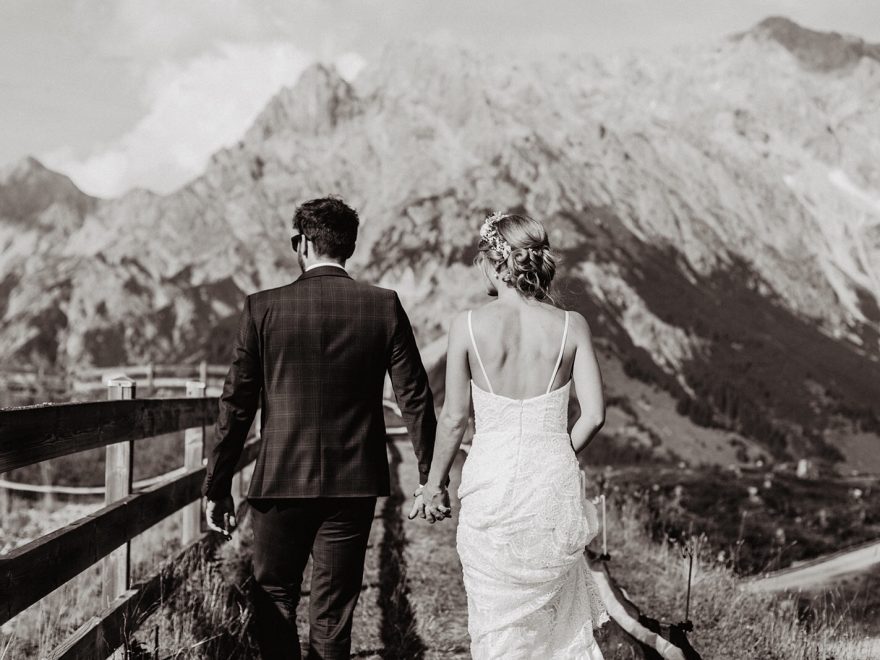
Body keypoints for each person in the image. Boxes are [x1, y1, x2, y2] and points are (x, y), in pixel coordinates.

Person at [202, 196, 438, 659]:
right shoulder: (383, 305)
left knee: (275, 598)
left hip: (280, 480)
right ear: (349, 246)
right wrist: (431, 478)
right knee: (333, 615)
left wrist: (217, 484)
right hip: (353, 482)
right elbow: (414, 396)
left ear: (304, 243)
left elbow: (237, 403)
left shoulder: (262, 308)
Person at [410, 212, 610, 658]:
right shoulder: (572, 325)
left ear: (494, 263)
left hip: (492, 485)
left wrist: (433, 486)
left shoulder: (467, 325)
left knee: (496, 623)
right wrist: (556, 451)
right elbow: (594, 415)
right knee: (557, 627)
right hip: (552, 483)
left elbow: (454, 418)